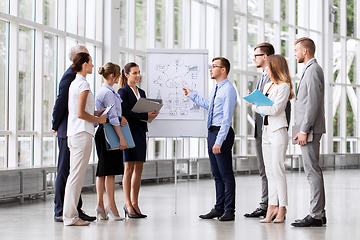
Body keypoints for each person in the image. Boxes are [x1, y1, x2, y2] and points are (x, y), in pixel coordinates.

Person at [183, 57, 237, 221]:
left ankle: (229, 210)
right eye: (211, 66)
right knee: (216, 174)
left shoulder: (228, 90)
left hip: (222, 133)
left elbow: (227, 119)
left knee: (226, 173)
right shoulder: (216, 88)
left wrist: (219, 141)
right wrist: (192, 95)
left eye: (214, 66)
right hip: (212, 131)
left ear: (223, 70)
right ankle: (219, 207)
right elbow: (209, 105)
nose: (211, 69)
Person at [244, 43, 292, 219]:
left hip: (278, 131)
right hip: (266, 131)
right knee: (270, 172)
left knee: (278, 171)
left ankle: (282, 207)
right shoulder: (268, 86)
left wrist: (254, 106)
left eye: (269, 67)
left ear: (275, 67)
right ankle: (271, 207)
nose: (266, 70)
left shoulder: (284, 86)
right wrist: (258, 104)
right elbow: (267, 107)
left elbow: (275, 110)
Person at [51, 45, 96, 223]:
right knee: (66, 172)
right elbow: (60, 102)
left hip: (74, 128)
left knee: (73, 172)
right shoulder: (70, 78)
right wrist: (55, 124)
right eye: (87, 57)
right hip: (70, 129)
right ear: (81, 61)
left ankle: (74, 210)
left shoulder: (76, 78)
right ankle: (62, 210)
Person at [63, 52, 107, 226]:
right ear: (84, 65)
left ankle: (70, 215)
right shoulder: (83, 84)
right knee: (75, 177)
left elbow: (80, 111)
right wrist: (99, 120)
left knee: (73, 176)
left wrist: (96, 113)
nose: (93, 66)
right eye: (91, 63)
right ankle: (71, 217)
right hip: (82, 134)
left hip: (74, 134)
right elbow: (81, 114)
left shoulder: (75, 83)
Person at [291, 37, 326, 227]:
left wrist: (304, 130)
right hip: (308, 128)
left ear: (305, 51)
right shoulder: (310, 69)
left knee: (312, 172)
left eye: (296, 50)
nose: (294, 53)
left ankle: (316, 215)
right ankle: (320, 212)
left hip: (309, 129)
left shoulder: (312, 70)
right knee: (314, 171)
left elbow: (312, 103)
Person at [118, 62, 159, 218]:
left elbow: (141, 111)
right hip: (129, 133)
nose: (137, 75)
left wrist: (150, 114)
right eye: (134, 73)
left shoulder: (141, 92)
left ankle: (135, 203)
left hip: (141, 132)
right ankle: (127, 204)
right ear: (126, 75)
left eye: (139, 72)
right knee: (128, 168)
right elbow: (125, 112)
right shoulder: (123, 92)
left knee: (139, 169)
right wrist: (145, 116)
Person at [95, 62, 128, 221]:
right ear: (112, 75)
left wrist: (122, 118)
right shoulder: (108, 93)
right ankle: (111, 206)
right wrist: (121, 137)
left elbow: (116, 115)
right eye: (118, 74)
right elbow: (113, 117)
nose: (119, 78)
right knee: (109, 171)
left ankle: (101, 205)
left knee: (103, 170)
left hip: (104, 132)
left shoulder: (108, 91)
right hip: (109, 133)